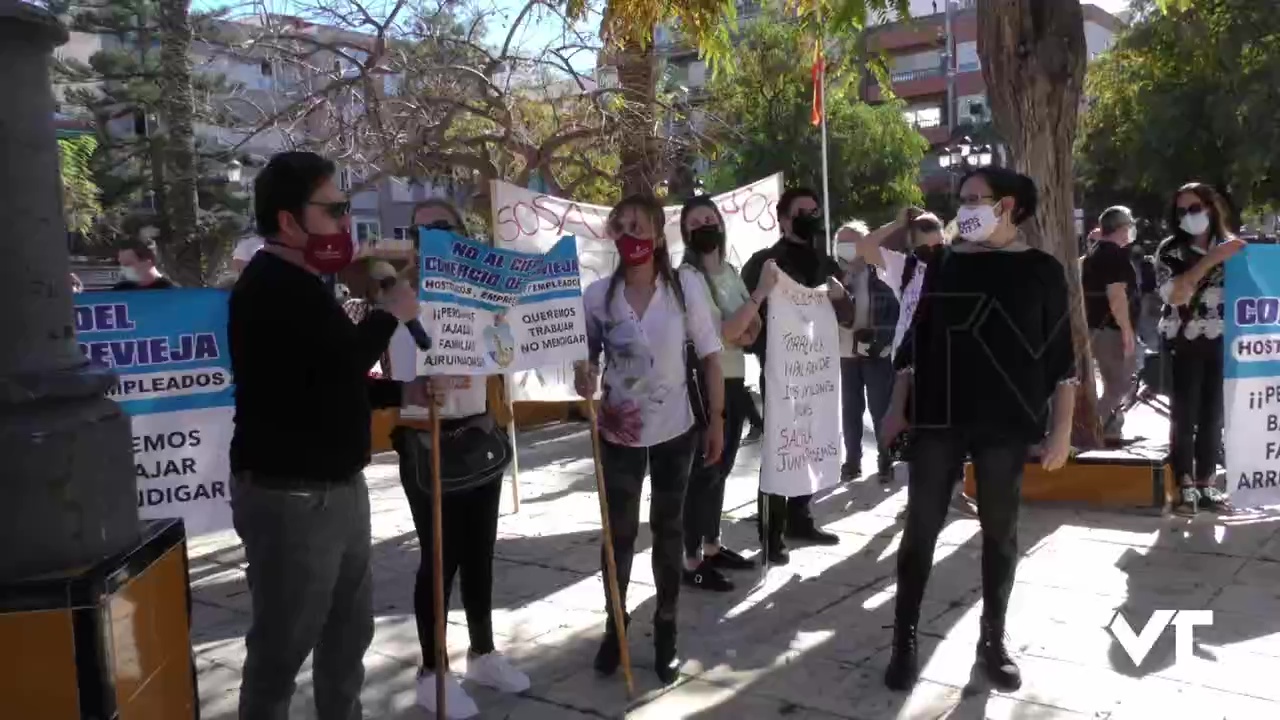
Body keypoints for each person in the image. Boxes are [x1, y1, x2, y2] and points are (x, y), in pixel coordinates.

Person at [226, 151, 427, 720]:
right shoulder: (270, 287)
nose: (345, 222)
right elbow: (340, 361)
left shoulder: (310, 285)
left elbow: (330, 380)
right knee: (282, 648)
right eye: (334, 208)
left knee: (348, 634)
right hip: (290, 497)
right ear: (289, 220)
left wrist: (401, 394)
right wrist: (389, 312)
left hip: (339, 488)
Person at [881, 167, 1076, 693]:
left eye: (973, 199)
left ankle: (993, 640)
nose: (961, 207)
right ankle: (904, 637)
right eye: (959, 198)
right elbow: (910, 345)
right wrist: (896, 406)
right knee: (920, 528)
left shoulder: (1042, 270)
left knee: (999, 532)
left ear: (1006, 205)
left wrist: (1061, 429)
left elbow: (1062, 357)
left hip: (1006, 421)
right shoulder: (936, 262)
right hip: (937, 416)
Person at [575, 194, 725, 685]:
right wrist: (584, 376)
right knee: (617, 537)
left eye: (639, 227)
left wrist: (718, 420)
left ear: (660, 233)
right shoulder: (597, 296)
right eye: (620, 228)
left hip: (675, 433)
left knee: (668, 530)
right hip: (618, 434)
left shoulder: (685, 288)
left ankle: (666, 628)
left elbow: (710, 355)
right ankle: (614, 627)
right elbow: (587, 359)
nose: (630, 237)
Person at [391, 199, 529, 717]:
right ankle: (432, 672)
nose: (433, 239)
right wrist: (422, 385)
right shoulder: (403, 298)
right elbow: (398, 377)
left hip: (478, 439)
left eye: (443, 228)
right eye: (421, 231)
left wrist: (498, 321)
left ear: (462, 234)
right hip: (426, 443)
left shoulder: (479, 294)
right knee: (439, 559)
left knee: (480, 554)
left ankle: (484, 652)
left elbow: (506, 357)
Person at [741, 187, 853, 563]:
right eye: (801, 211)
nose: (810, 217)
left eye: (814, 211)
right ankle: (770, 534)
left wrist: (840, 298)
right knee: (780, 450)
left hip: (817, 374)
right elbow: (749, 320)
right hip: (779, 374)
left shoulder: (825, 263)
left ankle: (800, 518)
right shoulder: (764, 263)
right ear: (783, 218)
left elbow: (847, 317)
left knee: (812, 442)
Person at [679, 195, 774, 592]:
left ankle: (713, 546)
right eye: (695, 221)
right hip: (706, 383)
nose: (704, 225)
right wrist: (759, 295)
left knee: (722, 469)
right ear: (685, 232)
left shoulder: (730, 271)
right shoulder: (689, 276)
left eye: (709, 218)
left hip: (736, 379)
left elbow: (748, 332)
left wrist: (744, 320)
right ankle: (691, 559)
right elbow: (728, 333)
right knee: (704, 473)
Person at [1155, 182, 1244, 515]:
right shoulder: (1170, 251)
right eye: (1181, 211)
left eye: (1195, 208)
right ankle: (1185, 483)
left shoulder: (1233, 247)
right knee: (1184, 412)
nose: (1188, 216)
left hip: (1225, 341)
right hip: (1185, 338)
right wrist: (1210, 261)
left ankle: (1207, 482)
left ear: (1211, 207)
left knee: (1213, 414)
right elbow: (1175, 295)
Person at [834, 220, 898, 483]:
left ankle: (886, 460)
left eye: (853, 242)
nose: (847, 249)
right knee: (850, 411)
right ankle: (852, 462)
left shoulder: (882, 275)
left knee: (880, 409)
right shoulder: (834, 277)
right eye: (842, 244)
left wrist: (879, 340)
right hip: (845, 355)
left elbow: (894, 314)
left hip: (875, 354)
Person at [1082, 206, 1140, 441]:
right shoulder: (1114, 255)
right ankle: (1092, 424)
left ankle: (1110, 428)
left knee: (1113, 383)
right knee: (1120, 385)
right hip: (1111, 330)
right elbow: (1116, 296)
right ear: (1122, 228)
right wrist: (1126, 331)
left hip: (1097, 327)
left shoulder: (1094, 254)